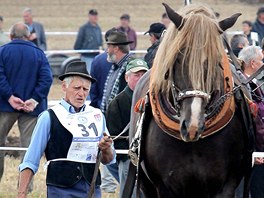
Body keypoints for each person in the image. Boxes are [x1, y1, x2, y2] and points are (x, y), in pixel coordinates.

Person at [18, 61, 115, 197]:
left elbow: (108, 159)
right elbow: (31, 159)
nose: (81, 94)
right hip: (60, 190)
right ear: (64, 86)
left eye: (85, 89)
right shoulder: (49, 117)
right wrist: (22, 193)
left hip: (91, 188)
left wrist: (106, 148)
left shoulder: (97, 116)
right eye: (77, 88)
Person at [0, 23, 52, 182]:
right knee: (29, 149)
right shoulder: (39, 53)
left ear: (11, 36)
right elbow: (46, 79)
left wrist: (9, 96)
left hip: (4, 106)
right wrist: (34, 99)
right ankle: (25, 188)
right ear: (29, 36)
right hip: (32, 109)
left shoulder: (2, 51)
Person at [106, 58, 149, 197]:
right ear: (126, 77)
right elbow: (114, 137)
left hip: (151, 159)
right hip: (128, 159)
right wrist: (127, 157)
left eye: (144, 75)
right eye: (137, 75)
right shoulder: (117, 103)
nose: (141, 79)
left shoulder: (155, 100)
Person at [238, 46, 264, 198]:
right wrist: (254, 154)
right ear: (253, 63)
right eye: (262, 61)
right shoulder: (243, 87)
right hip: (250, 156)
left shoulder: (253, 83)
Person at [100, 31, 133, 114]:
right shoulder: (115, 67)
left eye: (108, 47)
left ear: (116, 48)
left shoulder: (132, 68)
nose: (107, 51)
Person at [90, 28, 117, 108]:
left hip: (101, 104)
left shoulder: (97, 60)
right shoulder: (127, 59)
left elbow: (93, 86)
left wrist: (95, 104)